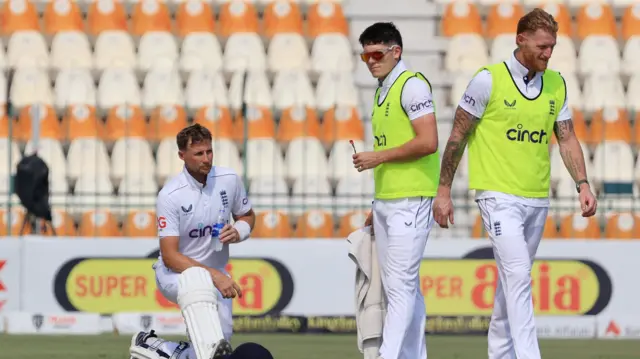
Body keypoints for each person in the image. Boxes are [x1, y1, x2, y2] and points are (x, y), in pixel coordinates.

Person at [433, 9, 597, 359]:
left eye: (552, 47)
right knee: (519, 275)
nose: (547, 53)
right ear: (520, 39)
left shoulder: (557, 84)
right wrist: (443, 190)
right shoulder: (487, 80)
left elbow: (566, 139)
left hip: (536, 198)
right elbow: (458, 135)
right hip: (497, 196)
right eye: (542, 46)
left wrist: (582, 183)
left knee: (511, 285)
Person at [129, 123, 257, 359]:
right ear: (182, 156)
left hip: (216, 273)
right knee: (199, 284)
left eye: (209, 151)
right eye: (199, 154)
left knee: (217, 348)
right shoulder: (170, 195)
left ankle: (155, 348)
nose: (206, 159)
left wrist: (239, 231)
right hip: (175, 274)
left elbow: (247, 216)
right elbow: (170, 256)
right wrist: (215, 276)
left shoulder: (228, 179)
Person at [353, 22, 440, 359]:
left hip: (412, 200)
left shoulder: (412, 86)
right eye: (365, 56)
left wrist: (378, 157)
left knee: (400, 289)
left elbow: (429, 142)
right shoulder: (382, 89)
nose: (371, 61)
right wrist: (377, 203)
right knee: (405, 289)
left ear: (395, 51)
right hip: (390, 201)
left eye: (377, 54)